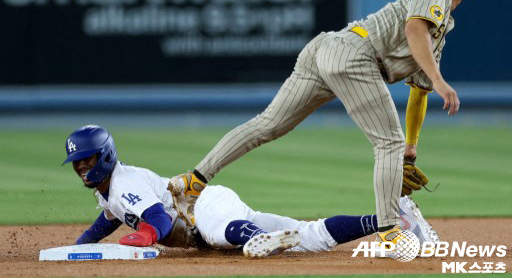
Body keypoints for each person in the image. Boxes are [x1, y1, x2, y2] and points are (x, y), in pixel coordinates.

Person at [168, 0, 480, 245]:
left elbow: (418, 93)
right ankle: (390, 232)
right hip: (355, 54)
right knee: (388, 143)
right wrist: (440, 82)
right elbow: (414, 30)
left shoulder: (438, 29)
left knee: (268, 124)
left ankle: (193, 182)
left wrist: (411, 146)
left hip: (327, 50)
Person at [65, 125, 439, 258]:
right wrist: (79, 246)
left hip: (205, 205)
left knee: (216, 233)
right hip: (206, 211)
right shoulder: (109, 189)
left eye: (86, 160)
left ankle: (262, 239)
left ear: (106, 156)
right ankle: (394, 219)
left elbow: (159, 219)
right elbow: (108, 218)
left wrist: (146, 236)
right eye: (78, 164)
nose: (82, 168)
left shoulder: (124, 182)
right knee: (311, 236)